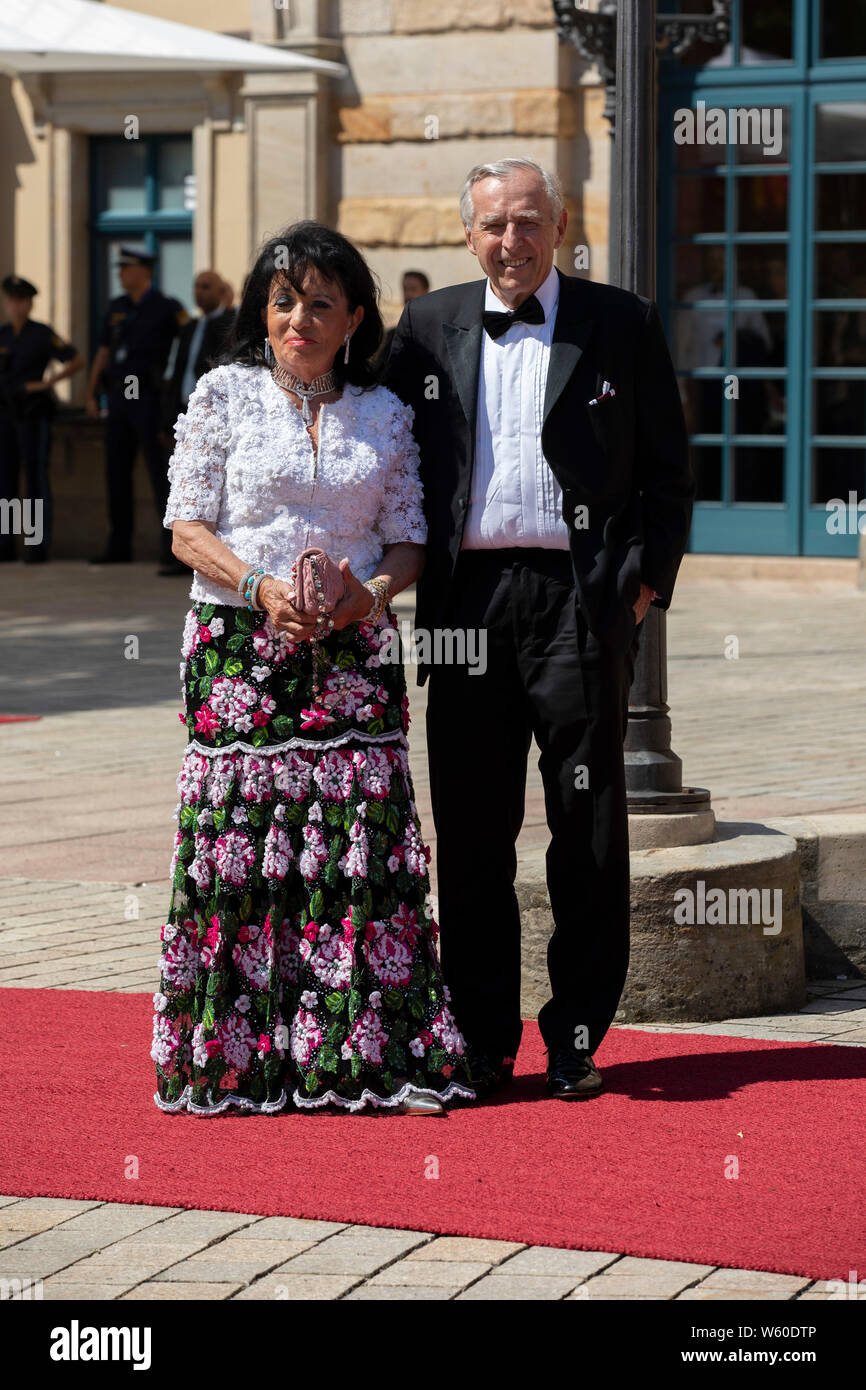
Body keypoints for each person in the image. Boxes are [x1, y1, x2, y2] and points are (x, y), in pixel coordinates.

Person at [383, 157, 694, 1102]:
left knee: (586, 827)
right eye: (491, 225)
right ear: (466, 233)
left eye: (527, 222)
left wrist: (639, 588)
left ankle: (577, 1035)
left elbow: (668, 470)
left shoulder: (622, 320)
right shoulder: (427, 326)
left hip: (578, 599)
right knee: (473, 831)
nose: (509, 241)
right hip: (464, 605)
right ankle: (482, 1039)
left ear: (558, 225)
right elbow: (385, 454)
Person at [152, 220, 475, 1116]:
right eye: (283, 299)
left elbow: (411, 540)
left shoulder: (386, 413)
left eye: (319, 303)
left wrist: (366, 595)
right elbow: (185, 530)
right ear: (264, 310)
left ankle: (358, 1052)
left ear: (354, 317)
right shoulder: (221, 395)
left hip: (354, 650)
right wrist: (260, 589)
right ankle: (239, 1056)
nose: (298, 317)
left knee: (353, 850)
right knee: (241, 852)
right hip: (238, 649)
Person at [85, 246, 189, 572]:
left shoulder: (166, 307)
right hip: (118, 397)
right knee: (115, 472)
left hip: (147, 397)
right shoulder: (117, 307)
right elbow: (103, 352)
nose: (120, 274)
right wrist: (90, 393)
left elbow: (187, 346)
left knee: (160, 475)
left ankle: (170, 550)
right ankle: (119, 543)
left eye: (126, 268)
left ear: (145, 271)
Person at [0, 275, 84, 562]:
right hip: (6, 413)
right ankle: (6, 543)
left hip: (33, 413)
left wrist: (48, 384)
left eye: (20, 300)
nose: (15, 306)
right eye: (10, 300)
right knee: (6, 481)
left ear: (29, 303)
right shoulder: (3, 335)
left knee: (35, 480)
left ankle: (36, 544)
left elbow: (75, 359)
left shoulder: (40, 333)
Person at [376, 269, 430, 373]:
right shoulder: (393, 335)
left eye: (413, 289)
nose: (408, 295)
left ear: (426, 292)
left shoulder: (437, 333)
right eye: (405, 289)